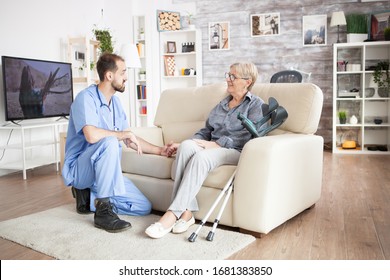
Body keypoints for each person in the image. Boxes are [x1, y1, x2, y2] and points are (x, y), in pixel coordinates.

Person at [145, 62, 265, 238]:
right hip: (213, 147)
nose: (228, 79)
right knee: (186, 147)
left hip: (236, 150)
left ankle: (171, 215)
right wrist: (188, 142)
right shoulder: (222, 105)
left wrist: (217, 144)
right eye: (228, 74)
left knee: (201, 158)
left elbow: (252, 136)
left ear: (247, 81)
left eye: (233, 76)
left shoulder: (255, 106)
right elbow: (206, 131)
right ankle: (186, 213)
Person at [62, 53, 170, 233]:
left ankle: (89, 197)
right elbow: (91, 135)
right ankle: (103, 211)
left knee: (142, 207)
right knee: (110, 141)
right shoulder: (85, 98)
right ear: (109, 76)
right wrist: (120, 134)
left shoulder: (116, 104)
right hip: (81, 169)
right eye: (123, 72)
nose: (126, 77)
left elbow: (129, 137)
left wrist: (160, 150)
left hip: (104, 174)